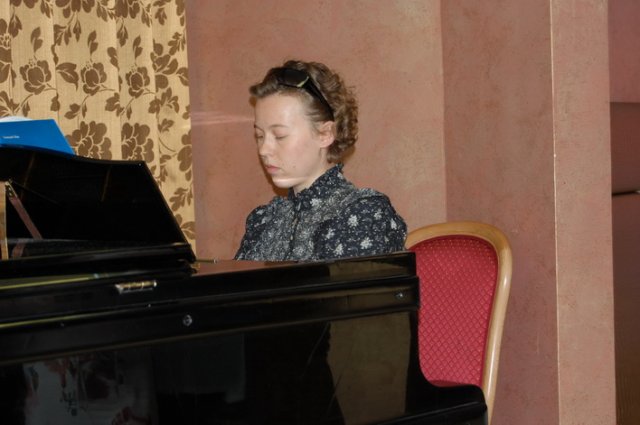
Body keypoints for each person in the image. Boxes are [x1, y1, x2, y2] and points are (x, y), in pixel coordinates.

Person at [235, 59, 407, 262]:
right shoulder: (263, 220)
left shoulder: (362, 214)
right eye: (259, 136)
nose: (264, 150)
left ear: (325, 134)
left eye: (280, 136)